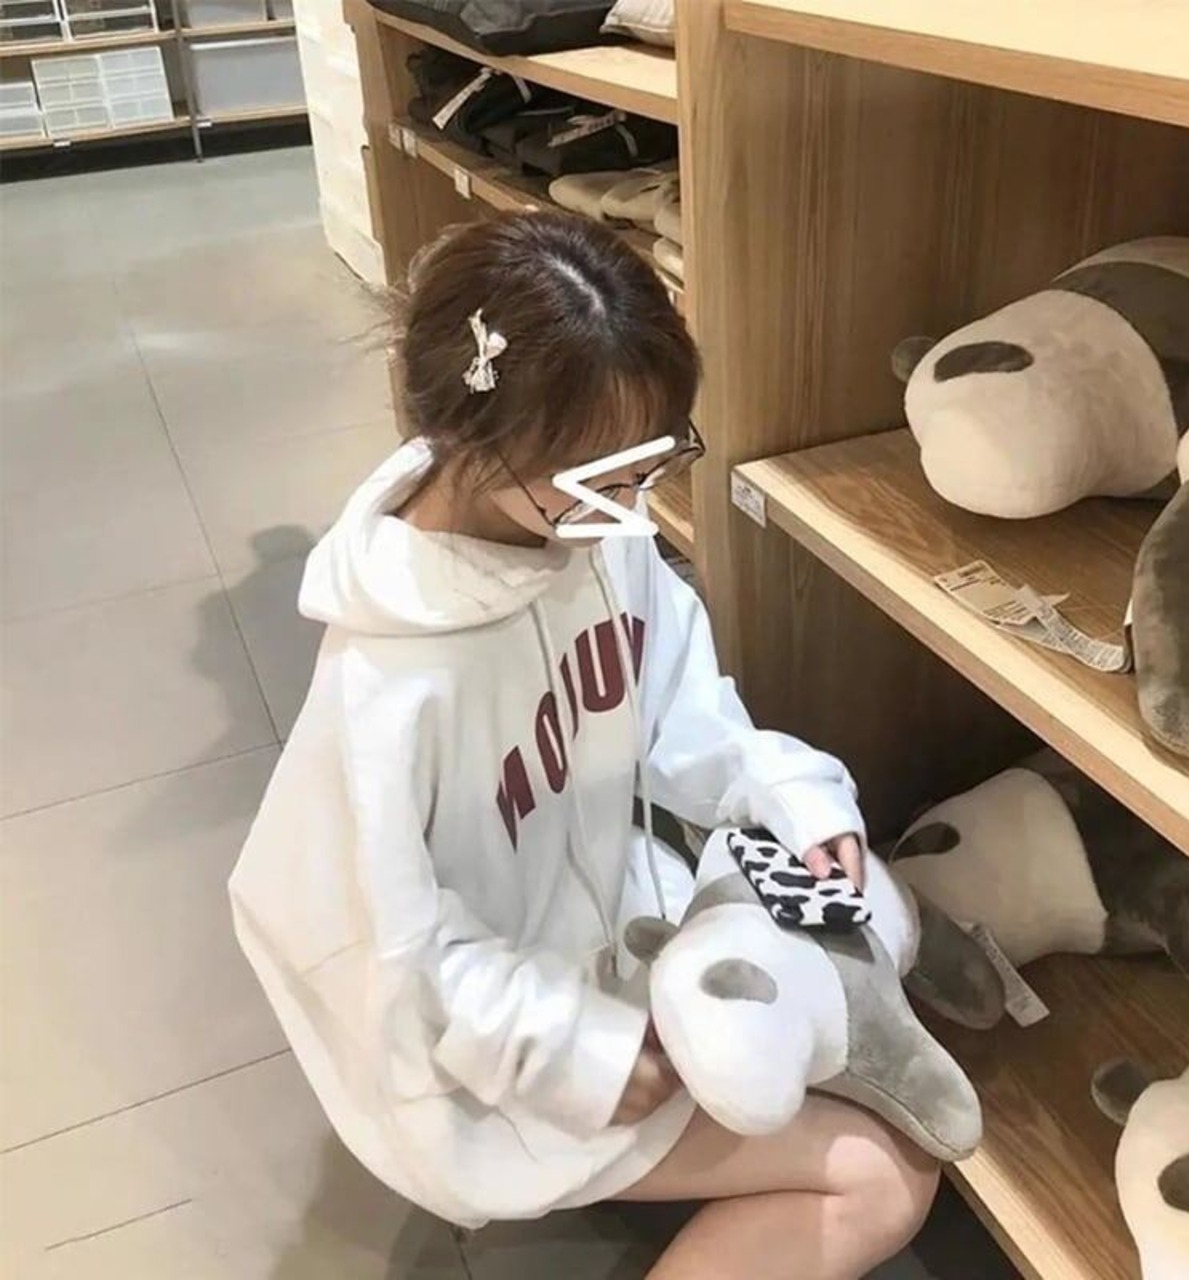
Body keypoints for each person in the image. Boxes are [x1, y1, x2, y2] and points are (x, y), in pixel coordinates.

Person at [229, 211, 938, 1279]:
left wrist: (796, 800)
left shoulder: (593, 526)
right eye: (599, 476)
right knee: (884, 1175)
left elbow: (686, 716)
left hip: (615, 945)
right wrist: (576, 1052)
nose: (631, 503)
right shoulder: (388, 684)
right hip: (500, 1047)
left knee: (866, 996)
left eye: (652, 459)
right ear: (476, 443)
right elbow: (388, 954)